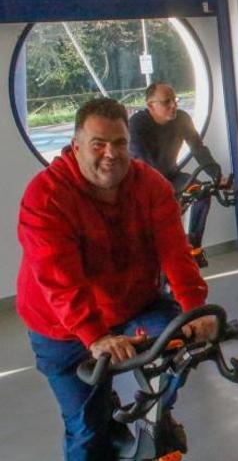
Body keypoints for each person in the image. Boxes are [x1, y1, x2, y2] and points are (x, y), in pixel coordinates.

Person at [17, 98, 216, 460]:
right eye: (98, 144)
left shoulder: (150, 185)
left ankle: (156, 422)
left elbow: (175, 252)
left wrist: (196, 308)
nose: (111, 153)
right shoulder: (46, 197)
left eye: (120, 143)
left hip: (132, 303)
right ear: (76, 146)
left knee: (179, 347)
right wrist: (95, 336)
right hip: (61, 324)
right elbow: (60, 281)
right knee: (87, 428)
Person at [129, 82, 229, 268]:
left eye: (174, 100)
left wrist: (217, 175)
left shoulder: (182, 118)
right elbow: (142, 159)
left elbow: (198, 148)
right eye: (167, 102)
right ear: (151, 105)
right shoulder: (137, 123)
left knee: (202, 191)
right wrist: (163, 192)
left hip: (171, 175)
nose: (173, 105)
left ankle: (194, 245)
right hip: (145, 181)